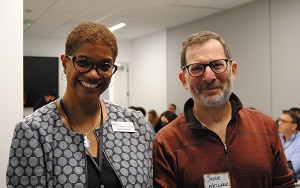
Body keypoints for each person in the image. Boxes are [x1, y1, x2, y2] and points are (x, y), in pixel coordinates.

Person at [7, 21, 153, 187]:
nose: (93, 74)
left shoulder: (135, 123)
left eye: (104, 66)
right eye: (83, 62)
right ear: (65, 63)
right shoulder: (34, 131)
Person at [153, 31, 294, 187]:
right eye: (197, 68)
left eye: (217, 65)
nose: (209, 76)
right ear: (184, 80)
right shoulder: (167, 142)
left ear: (232, 70)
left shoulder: (265, 126)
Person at [278, 108, 300, 180]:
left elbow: (291, 169)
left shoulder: (298, 142)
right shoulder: (278, 137)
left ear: (294, 126)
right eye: (279, 120)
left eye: (283, 121)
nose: (279, 123)